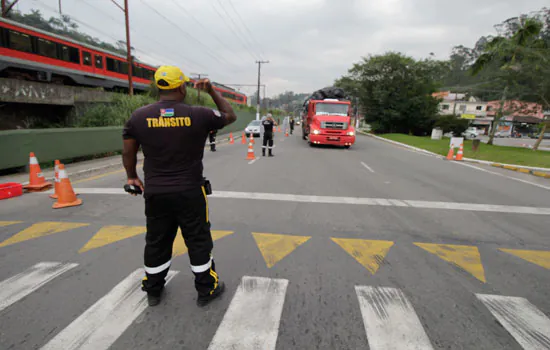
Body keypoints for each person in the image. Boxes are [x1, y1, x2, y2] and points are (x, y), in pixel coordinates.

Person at [122, 66, 237, 307]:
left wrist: (132, 176)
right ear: (182, 86)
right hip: (190, 192)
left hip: (155, 192)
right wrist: (211, 90)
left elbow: (128, 151)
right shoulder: (200, 114)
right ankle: (206, 289)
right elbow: (229, 115)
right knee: (197, 239)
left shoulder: (139, 117)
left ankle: (153, 290)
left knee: (157, 240)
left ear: (158, 87)